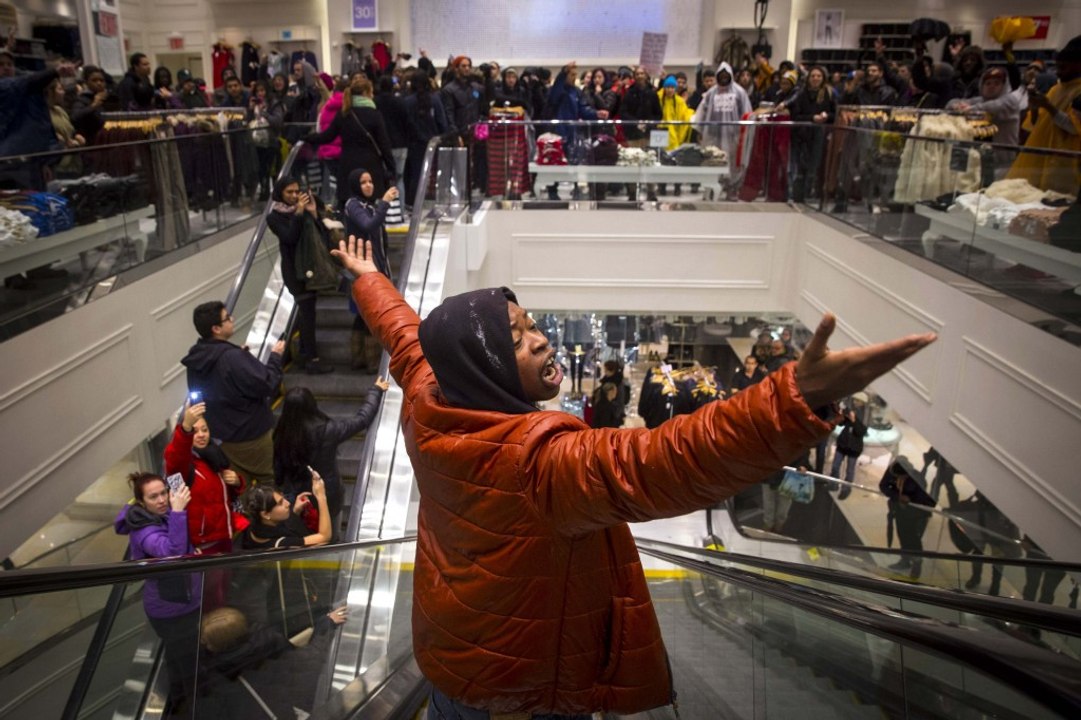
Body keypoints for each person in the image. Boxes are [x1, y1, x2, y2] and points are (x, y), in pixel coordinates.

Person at [330, 235, 935, 717]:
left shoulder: (430, 398)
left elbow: (408, 337)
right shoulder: (539, 464)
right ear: (481, 366)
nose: (541, 342)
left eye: (533, 324)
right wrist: (791, 401)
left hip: (453, 660)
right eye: (516, 339)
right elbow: (669, 459)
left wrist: (371, 282)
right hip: (522, 690)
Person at [114, 472, 200, 715]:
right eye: (154, 497)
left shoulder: (159, 516)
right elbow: (172, 553)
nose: (162, 499)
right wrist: (179, 511)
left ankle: (183, 700)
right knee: (185, 660)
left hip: (183, 600)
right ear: (142, 503)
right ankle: (190, 705)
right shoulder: (145, 531)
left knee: (179, 656)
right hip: (172, 610)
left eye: (164, 493)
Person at [180, 301, 286, 484]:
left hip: (223, 437)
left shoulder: (197, 357)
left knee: (237, 485)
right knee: (267, 480)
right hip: (252, 436)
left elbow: (210, 388)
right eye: (227, 318)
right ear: (216, 328)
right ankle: (267, 512)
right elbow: (267, 384)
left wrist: (241, 359)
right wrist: (275, 358)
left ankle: (242, 512)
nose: (232, 319)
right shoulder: (232, 358)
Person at [272, 381, 389, 538]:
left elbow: (278, 468)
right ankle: (332, 545)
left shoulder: (282, 432)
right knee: (331, 530)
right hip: (327, 493)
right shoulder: (327, 431)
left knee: (300, 531)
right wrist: (375, 391)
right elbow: (361, 420)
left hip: (297, 495)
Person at [265, 177, 336, 375]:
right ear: (280, 193)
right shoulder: (274, 217)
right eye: (289, 192)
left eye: (297, 191)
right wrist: (299, 213)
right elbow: (289, 237)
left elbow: (320, 234)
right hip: (295, 274)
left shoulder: (304, 211)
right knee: (308, 315)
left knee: (308, 313)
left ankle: (306, 355)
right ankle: (312, 359)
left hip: (310, 268)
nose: (295, 196)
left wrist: (313, 213)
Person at [163, 399, 249, 556]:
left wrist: (237, 482)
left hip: (224, 535)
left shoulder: (214, 456)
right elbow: (174, 459)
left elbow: (222, 493)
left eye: (205, 430)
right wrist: (184, 429)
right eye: (195, 431)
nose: (201, 435)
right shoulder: (181, 466)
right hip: (201, 545)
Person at [304, 75, 396, 209]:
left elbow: (327, 136)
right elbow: (384, 144)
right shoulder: (374, 114)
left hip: (348, 167)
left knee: (349, 206)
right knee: (370, 207)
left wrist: (306, 137)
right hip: (370, 167)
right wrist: (391, 168)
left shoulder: (344, 114)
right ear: (366, 93)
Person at [1006, 35, 1081, 195]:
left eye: (1064, 68)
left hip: (1065, 164)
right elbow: (1035, 125)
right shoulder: (1056, 89)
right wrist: (1034, 107)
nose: (1059, 73)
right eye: (1058, 67)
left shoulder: (1079, 91)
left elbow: (1074, 128)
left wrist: (1047, 106)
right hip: (1040, 157)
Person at [343, 168, 398, 370]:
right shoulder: (354, 205)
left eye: (370, 181)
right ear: (356, 185)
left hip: (373, 266)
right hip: (362, 269)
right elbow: (369, 225)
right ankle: (373, 361)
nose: (368, 185)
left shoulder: (366, 205)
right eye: (363, 182)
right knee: (370, 313)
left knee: (362, 314)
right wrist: (384, 202)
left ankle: (359, 358)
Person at [691, 62, 752, 195]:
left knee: (733, 161)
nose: (724, 77)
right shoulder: (711, 93)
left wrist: (745, 133)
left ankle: (732, 189)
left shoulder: (739, 92)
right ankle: (713, 189)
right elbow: (702, 111)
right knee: (713, 160)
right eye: (721, 75)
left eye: (726, 75)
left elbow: (747, 113)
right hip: (714, 135)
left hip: (733, 135)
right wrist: (700, 130)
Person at [879, 457, 934, 578]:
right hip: (899, 511)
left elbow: (923, 500)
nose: (898, 479)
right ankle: (905, 560)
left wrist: (909, 499)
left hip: (916, 515)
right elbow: (883, 485)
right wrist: (897, 496)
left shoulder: (917, 479)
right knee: (902, 535)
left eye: (901, 477)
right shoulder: (893, 470)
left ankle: (917, 562)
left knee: (913, 539)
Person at [401, 69, 449, 209]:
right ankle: (436, 199)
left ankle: (413, 203)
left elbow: (404, 123)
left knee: (415, 174)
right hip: (433, 142)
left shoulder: (407, 102)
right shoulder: (435, 99)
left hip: (414, 143)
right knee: (434, 173)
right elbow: (441, 121)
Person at [788, 66, 835, 202]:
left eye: (818, 76)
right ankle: (798, 196)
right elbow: (796, 115)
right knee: (800, 168)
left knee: (816, 166)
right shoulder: (801, 94)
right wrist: (812, 118)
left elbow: (835, 113)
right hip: (802, 136)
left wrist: (827, 115)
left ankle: (813, 195)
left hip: (821, 136)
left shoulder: (829, 94)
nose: (815, 78)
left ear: (823, 78)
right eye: (813, 76)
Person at [657, 75, 692, 197]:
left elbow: (684, 119)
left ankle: (677, 186)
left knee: (676, 164)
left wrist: (681, 137)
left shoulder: (680, 102)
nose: (670, 90)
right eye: (668, 87)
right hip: (661, 137)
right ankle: (662, 186)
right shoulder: (659, 98)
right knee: (661, 163)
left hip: (675, 138)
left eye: (672, 87)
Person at [830, 407, 866, 499]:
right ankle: (834, 484)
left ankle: (846, 489)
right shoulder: (849, 414)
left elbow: (860, 432)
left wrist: (854, 420)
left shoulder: (864, 418)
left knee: (849, 471)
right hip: (843, 444)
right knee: (835, 466)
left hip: (854, 448)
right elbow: (840, 424)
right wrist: (841, 415)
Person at [70, 66, 112, 144]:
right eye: (94, 80)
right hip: (89, 142)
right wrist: (93, 105)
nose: (99, 83)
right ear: (86, 82)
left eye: (101, 80)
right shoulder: (82, 99)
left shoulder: (108, 98)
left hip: (105, 140)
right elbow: (74, 117)